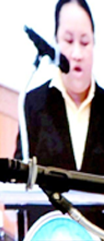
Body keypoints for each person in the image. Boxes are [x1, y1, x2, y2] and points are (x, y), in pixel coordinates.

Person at [15, 0, 103, 174]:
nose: (77, 54)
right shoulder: (33, 104)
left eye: (85, 42)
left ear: (94, 44)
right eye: (69, 41)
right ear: (56, 42)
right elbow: (19, 179)